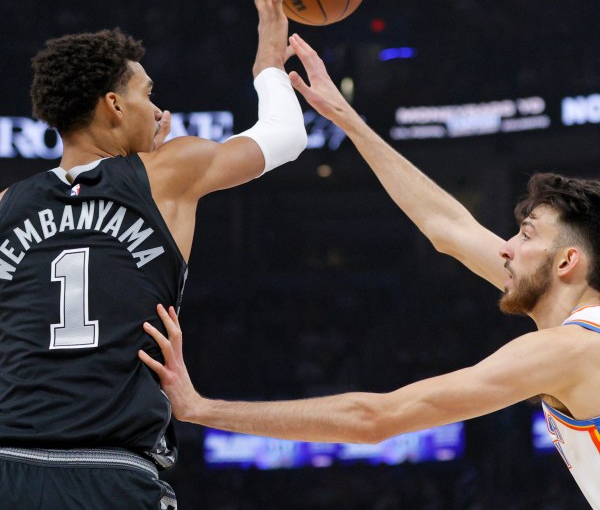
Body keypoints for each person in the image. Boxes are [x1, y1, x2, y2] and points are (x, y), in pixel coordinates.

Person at [140, 35, 600, 509]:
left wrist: (201, 408)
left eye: (524, 235)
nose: (504, 247)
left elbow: (375, 418)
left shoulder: (569, 347)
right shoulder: (572, 323)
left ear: (567, 262)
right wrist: (347, 118)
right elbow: (448, 228)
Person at [0, 0, 307, 510]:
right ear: (115, 106)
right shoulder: (169, 173)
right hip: (111, 469)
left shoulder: (7, 204)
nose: (157, 109)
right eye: (148, 94)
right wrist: (268, 62)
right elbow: (286, 134)